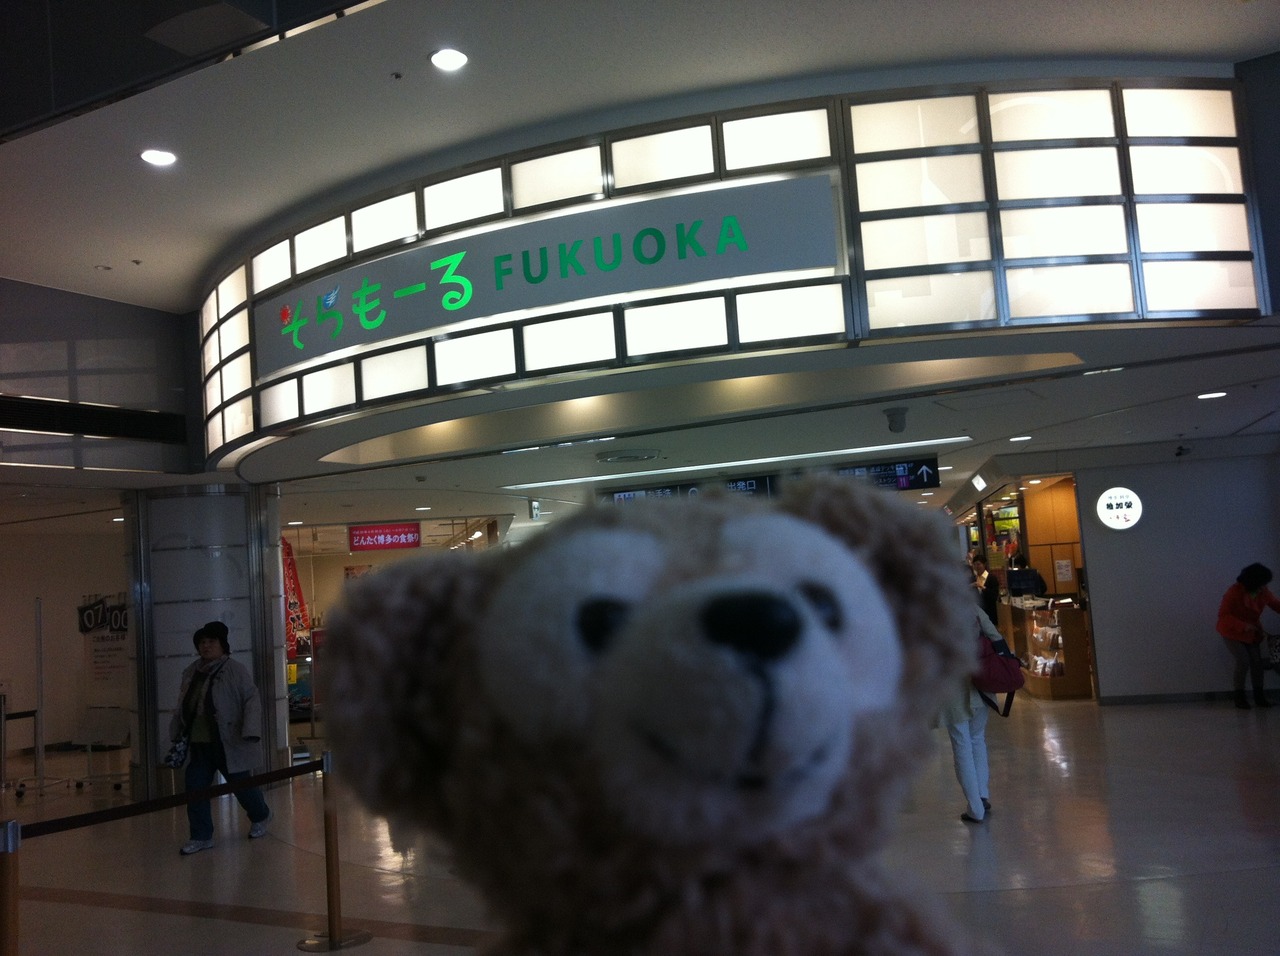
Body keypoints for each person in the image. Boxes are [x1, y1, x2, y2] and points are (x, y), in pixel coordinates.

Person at [169, 620, 271, 854]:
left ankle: (261, 815)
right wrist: (177, 729)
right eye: (202, 642)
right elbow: (184, 703)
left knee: (242, 785)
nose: (206, 646)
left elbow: (251, 699)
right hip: (199, 742)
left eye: (211, 642)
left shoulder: (234, 670)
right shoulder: (192, 671)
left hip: (228, 741)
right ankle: (201, 836)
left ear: (223, 645)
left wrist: (251, 730)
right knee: (195, 788)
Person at [938, 607, 1005, 823]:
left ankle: (975, 808)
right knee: (977, 740)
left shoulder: (933, 612)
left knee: (962, 746)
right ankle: (982, 795)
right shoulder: (972, 609)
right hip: (981, 683)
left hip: (953, 687)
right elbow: (996, 637)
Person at [1216, 563, 1280, 710]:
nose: (1264, 586)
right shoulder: (1234, 592)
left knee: (1257, 663)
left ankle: (1259, 697)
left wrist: (1249, 627)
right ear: (1253, 582)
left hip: (1251, 632)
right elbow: (1223, 616)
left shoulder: (1263, 591)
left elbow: (1276, 604)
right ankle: (1239, 697)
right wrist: (1243, 626)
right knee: (1243, 660)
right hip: (1232, 631)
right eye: (1262, 583)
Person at [971, 554, 1001, 627]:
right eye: (974, 564)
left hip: (990, 613)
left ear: (984, 564)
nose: (976, 566)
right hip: (977, 614)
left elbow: (994, 596)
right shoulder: (973, 579)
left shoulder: (991, 578)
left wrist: (983, 587)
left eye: (978, 564)